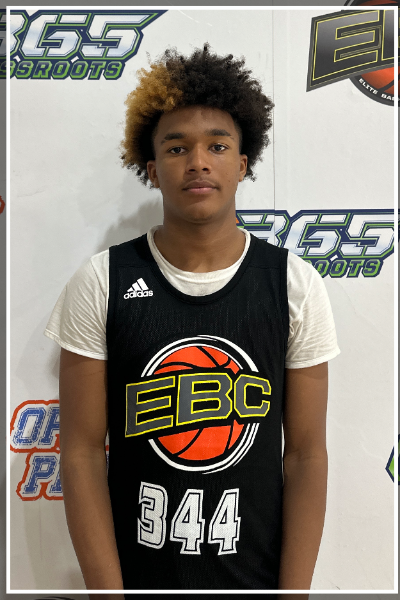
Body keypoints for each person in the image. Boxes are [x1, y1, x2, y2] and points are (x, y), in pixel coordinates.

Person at [45, 44, 340, 596]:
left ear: (242, 164)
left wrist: (293, 594)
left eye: (217, 146)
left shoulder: (293, 284)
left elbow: (305, 455)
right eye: (177, 147)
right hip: (138, 581)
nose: (198, 161)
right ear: (152, 170)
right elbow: (81, 452)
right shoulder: (102, 280)